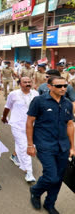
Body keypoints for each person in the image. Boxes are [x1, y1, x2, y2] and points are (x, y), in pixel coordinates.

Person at [26, 76, 74, 214]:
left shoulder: (68, 104)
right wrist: (30, 145)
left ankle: (50, 203)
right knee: (51, 176)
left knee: (59, 178)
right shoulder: (39, 101)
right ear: (49, 87)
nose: (63, 88)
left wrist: (72, 147)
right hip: (45, 144)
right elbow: (30, 122)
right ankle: (35, 191)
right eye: (59, 86)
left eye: (65, 86)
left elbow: (70, 124)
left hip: (63, 146)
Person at [2, 77, 38, 182]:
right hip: (17, 125)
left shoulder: (36, 94)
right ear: (20, 84)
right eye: (25, 82)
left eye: (29, 82)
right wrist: (4, 117)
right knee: (25, 146)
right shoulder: (13, 94)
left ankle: (14, 156)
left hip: (32, 125)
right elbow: (7, 107)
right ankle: (29, 173)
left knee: (22, 144)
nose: (27, 84)